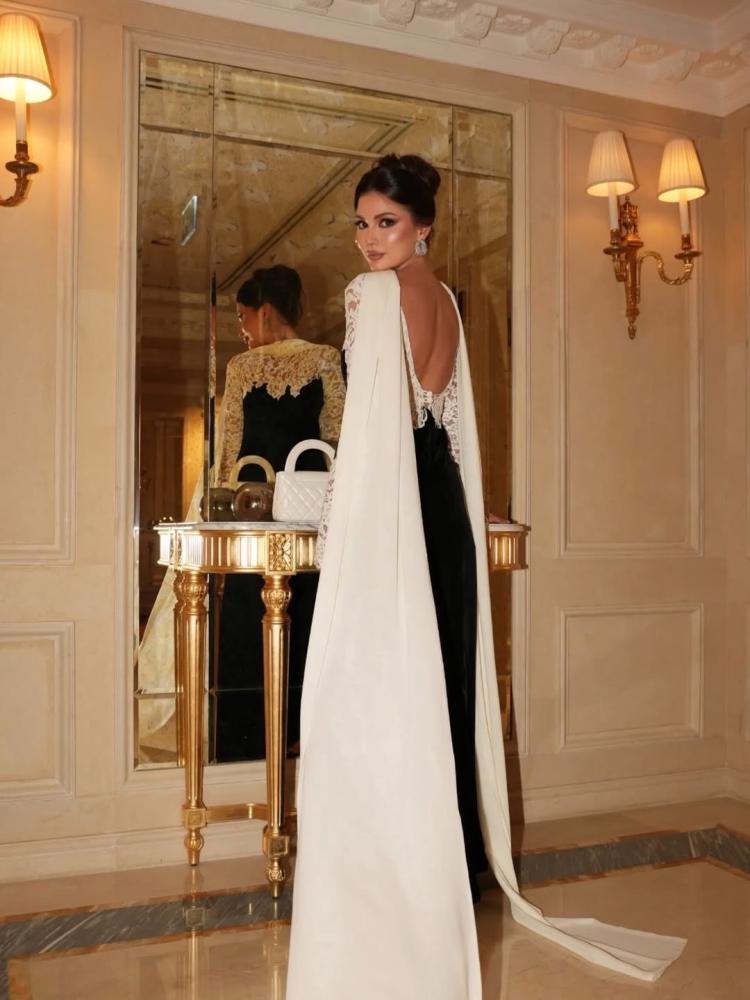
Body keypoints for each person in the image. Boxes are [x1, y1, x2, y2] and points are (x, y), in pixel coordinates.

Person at [285, 155, 686, 999]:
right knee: (431, 690)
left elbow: (370, 435)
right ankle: (439, 875)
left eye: (386, 223)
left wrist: (340, 534)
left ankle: (383, 891)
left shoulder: (375, 297)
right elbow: (448, 429)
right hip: (442, 511)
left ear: (422, 226)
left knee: (371, 693)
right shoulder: (447, 301)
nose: (368, 240)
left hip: (396, 511)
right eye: (361, 224)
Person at [213, 265, 345, 761]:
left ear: (265, 311)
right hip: (309, 523)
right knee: (306, 626)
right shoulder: (326, 359)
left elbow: (229, 453)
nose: (243, 329)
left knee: (249, 631)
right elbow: (337, 440)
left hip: (255, 522)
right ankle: (303, 741)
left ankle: (246, 747)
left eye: (243, 317)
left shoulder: (241, 368)